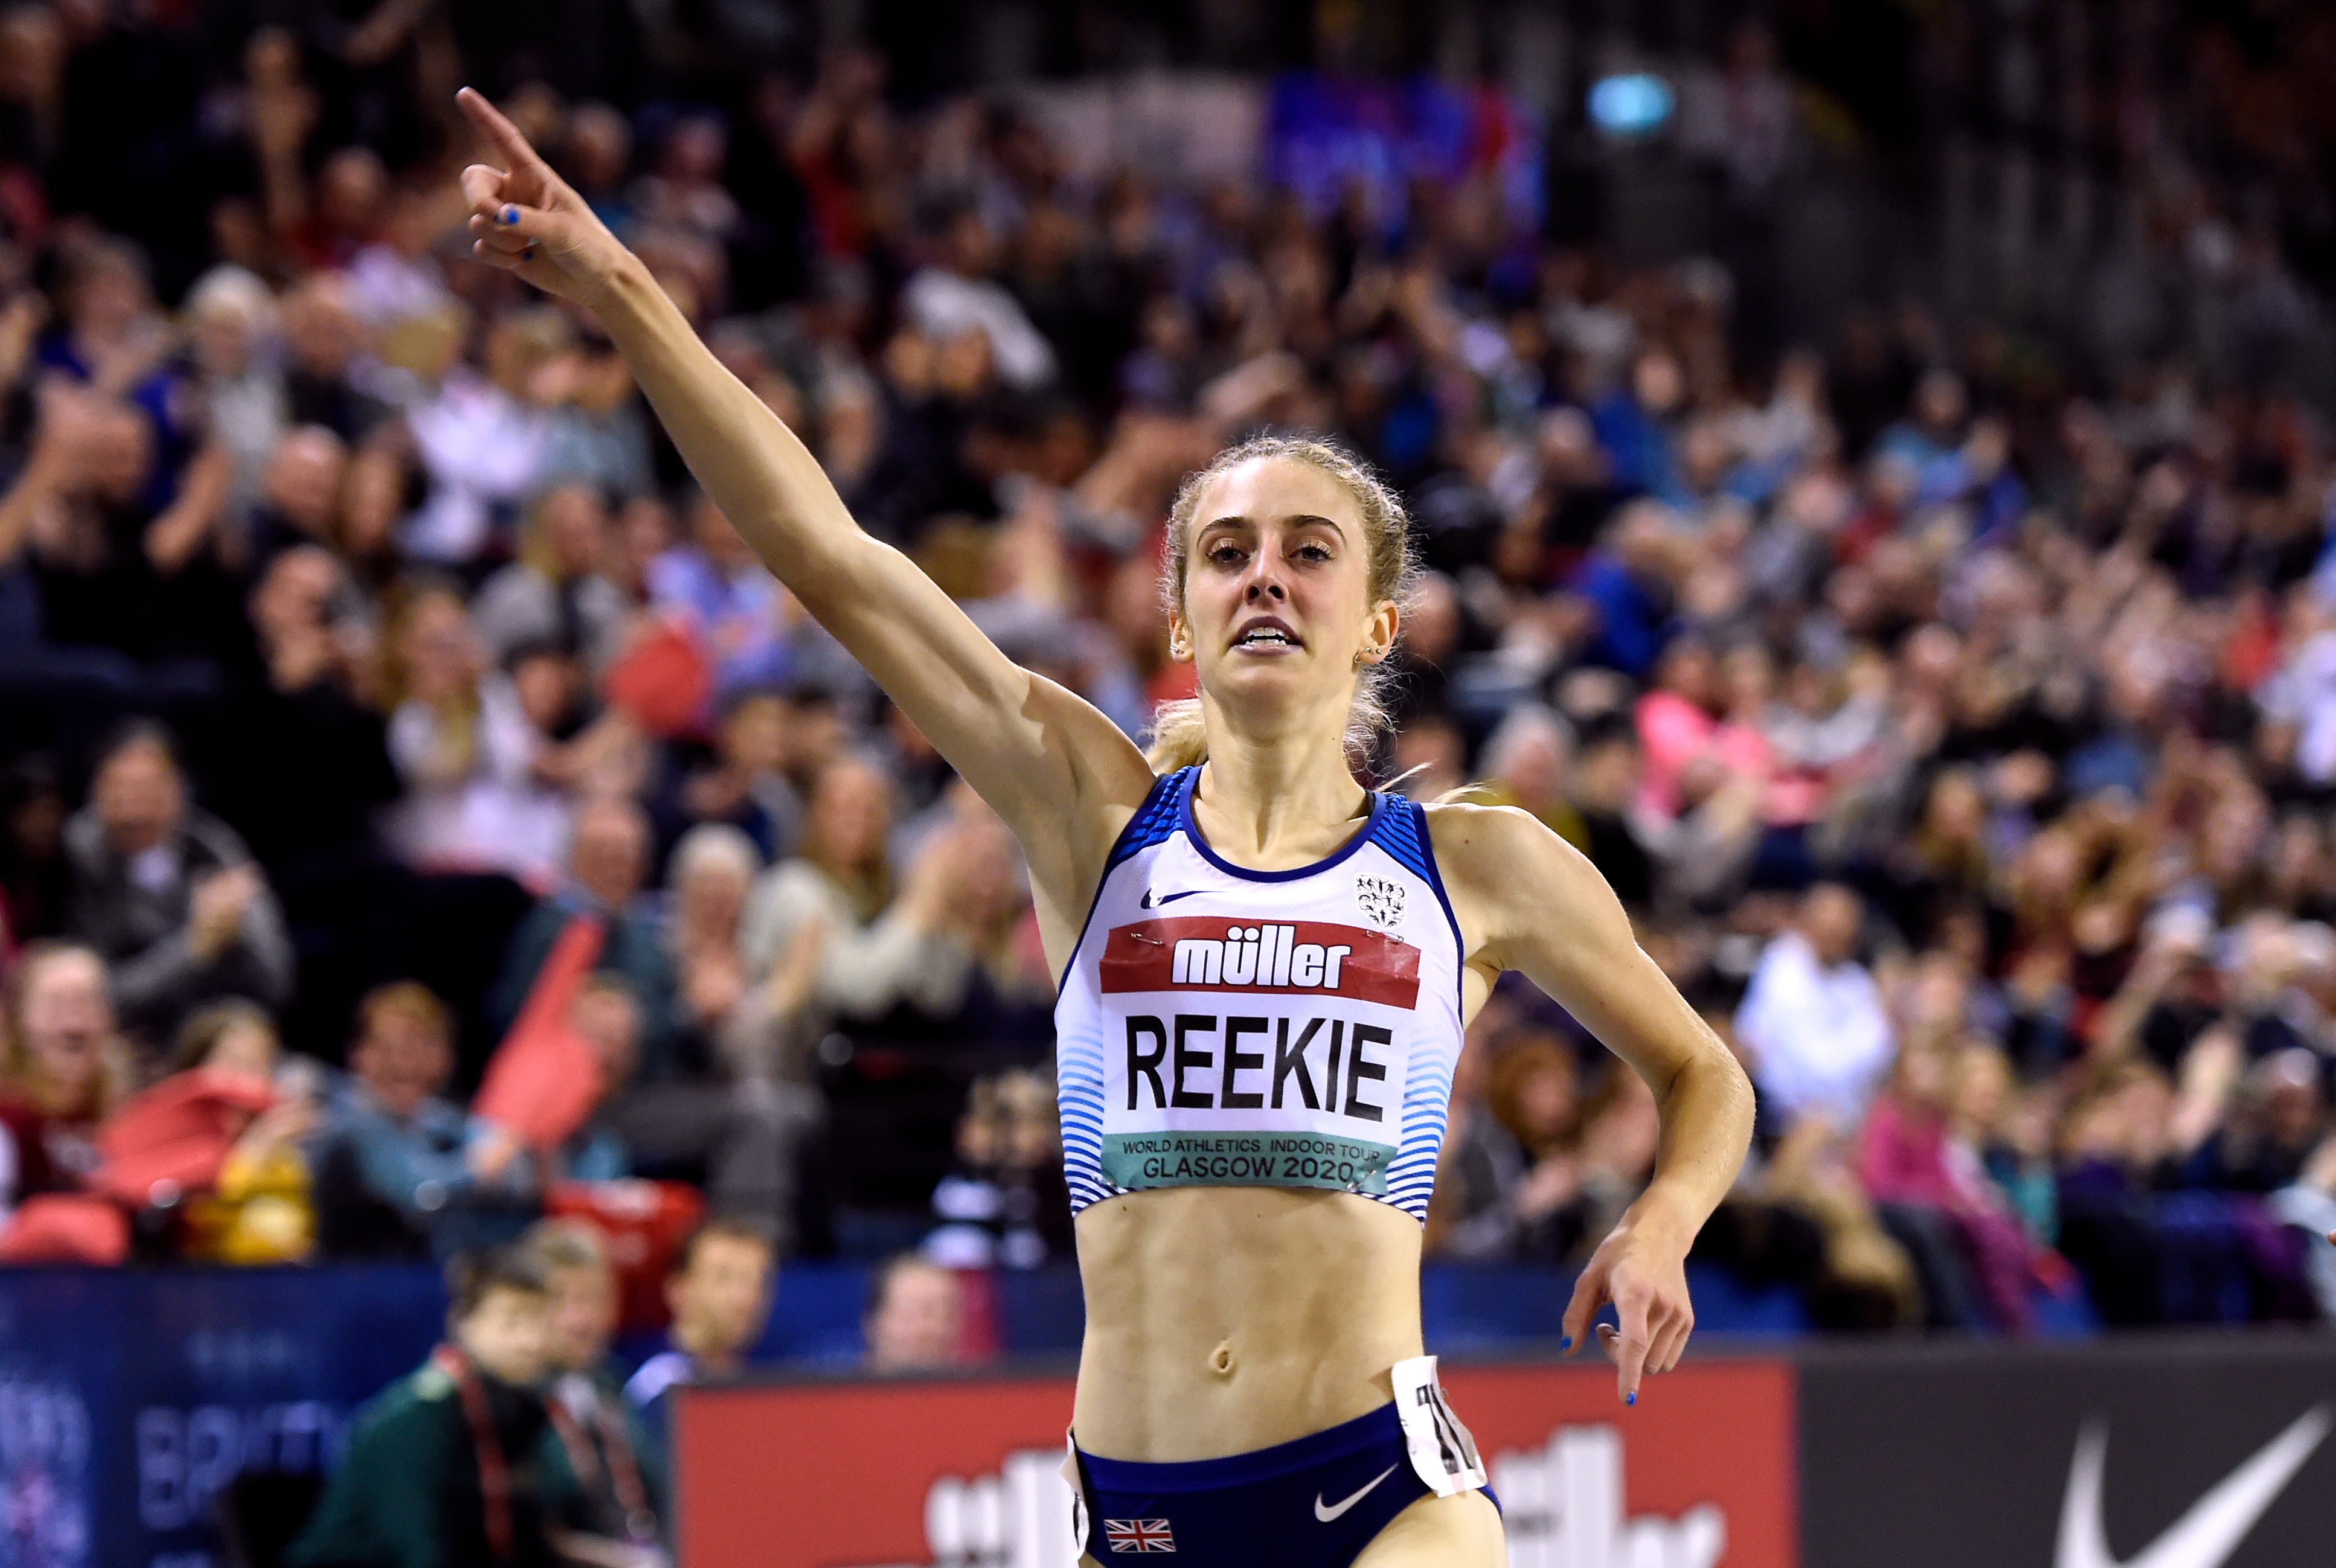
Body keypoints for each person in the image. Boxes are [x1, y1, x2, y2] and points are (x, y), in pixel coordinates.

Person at [457, 90, 1753, 1567]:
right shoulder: (1090, 814)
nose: (1263, 575)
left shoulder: (1472, 862)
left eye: (1307, 552)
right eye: (1225, 553)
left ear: (1376, 621)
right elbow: (830, 557)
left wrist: (1660, 1225)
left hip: (1385, 1492)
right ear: (1184, 618)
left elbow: (1702, 1076)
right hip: (1139, 1516)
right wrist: (626, 292)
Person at [288, 1246, 562, 1568]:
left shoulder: (519, 1414)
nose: (530, 1341)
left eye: (540, 1321)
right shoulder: (416, 1420)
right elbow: (421, 1554)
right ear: (464, 1323)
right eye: (511, 1321)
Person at [63, 722, 294, 1046]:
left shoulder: (214, 849)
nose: (135, 809)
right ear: (95, 793)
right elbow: (97, 999)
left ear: (179, 790)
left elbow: (276, 981)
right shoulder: (76, 859)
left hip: (211, 1038)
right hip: (120, 1044)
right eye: (120, 790)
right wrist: (194, 948)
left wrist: (236, 934)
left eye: (149, 790)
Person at [306, 982, 532, 1258]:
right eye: (388, 1048)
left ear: (446, 1058)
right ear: (358, 1053)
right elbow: (419, 1195)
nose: (405, 1065)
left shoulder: (441, 1119)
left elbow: (516, 1172)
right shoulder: (346, 1120)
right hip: (352, 1285)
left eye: (422, 1048)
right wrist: (477, 1171)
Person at [527, 1219, 666, 1560]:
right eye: (562, 1301)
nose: (582, 1320)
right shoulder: (515, 1401)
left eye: (593, 1299)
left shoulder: (611, 1384)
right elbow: (532, 1533)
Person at [622, 1219, 775, 1502]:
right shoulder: (661, 1389)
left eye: (755, 1282)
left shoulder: (762, 1390)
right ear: (678, 1290)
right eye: (723, 1279)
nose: (744, 1298)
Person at [863, 1252, 967, 1373]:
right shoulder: (845, 1390)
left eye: (942, 1314)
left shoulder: (979, 1389)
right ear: (873, 1322)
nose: (924, 1330)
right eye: (910, 1314)